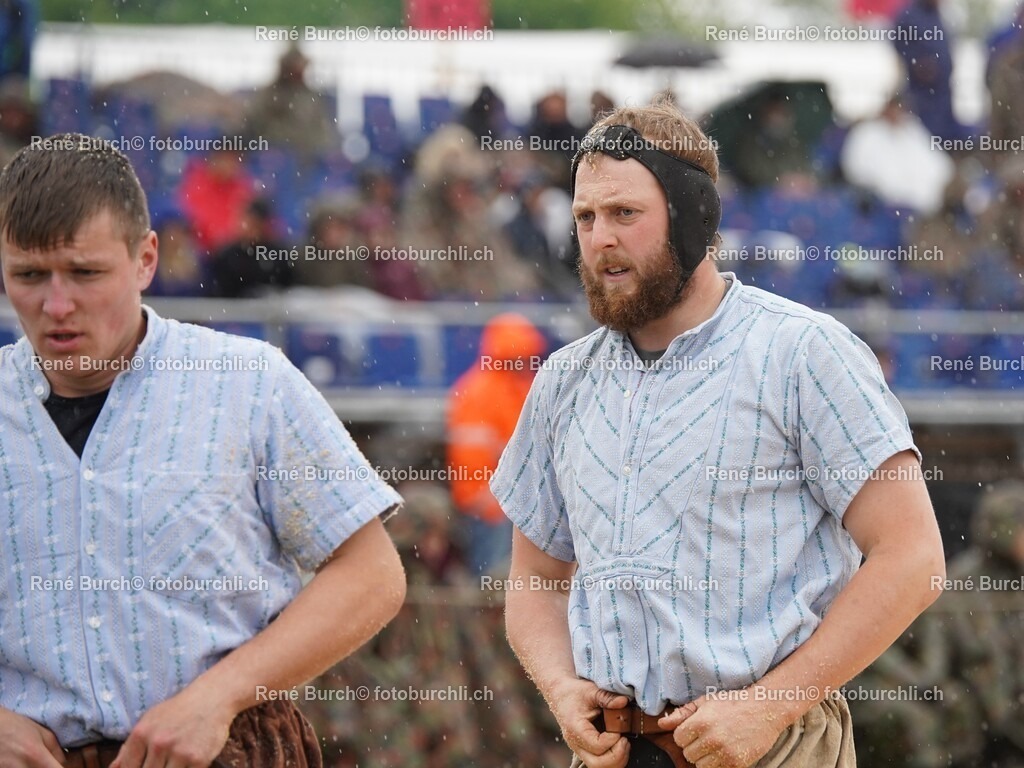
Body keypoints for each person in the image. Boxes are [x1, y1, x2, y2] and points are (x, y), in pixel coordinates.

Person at [494, 100, 946, 768]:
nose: (599, 238)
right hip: (617, 750)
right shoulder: (562, 381)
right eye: (586, 217)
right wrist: (562, 689)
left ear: (691, 217)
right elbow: (535, 578)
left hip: (778, 744)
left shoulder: (804, 352)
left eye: (624, 213)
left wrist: (769, 706)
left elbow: (912, 558)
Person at [0, 133, 406, 767]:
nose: (56, 305)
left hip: (230, 747)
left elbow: (371, 576)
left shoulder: (248, 383)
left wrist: (217, 698)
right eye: (28, 275)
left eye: (85, 272)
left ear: (145, 259)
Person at [447, 313, 547, 575]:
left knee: (511, 575)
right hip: (491, 505)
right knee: (490, 576)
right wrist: (488, 498)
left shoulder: (519, 386)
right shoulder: (480, 391)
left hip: (512, 502)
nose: (525, 364)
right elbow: (472, 452)